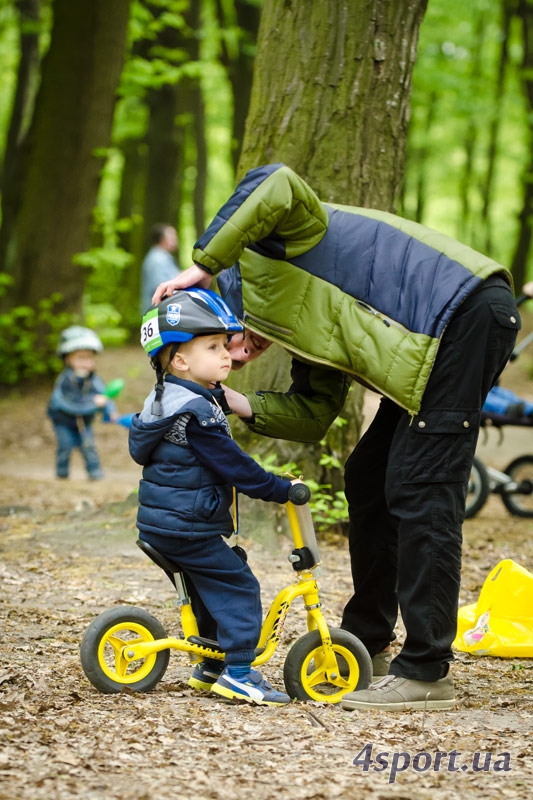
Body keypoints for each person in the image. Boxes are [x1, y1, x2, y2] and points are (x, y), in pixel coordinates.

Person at [152, 163, 521, 712]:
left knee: (421, 485)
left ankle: (426, 671)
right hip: (429, 347)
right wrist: (237, 402)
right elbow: (313, 412)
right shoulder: (304, 333)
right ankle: (365, 643)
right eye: (225, 352)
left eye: (226, 339)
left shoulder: (280, 244)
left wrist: (200, 265)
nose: (235, 354)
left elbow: (275, 180)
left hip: (462, 315)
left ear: (231, 301)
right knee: (369, 477)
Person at [129, 288, 299, 706]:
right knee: (238, 583)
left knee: (212, 580)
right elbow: (236, 467)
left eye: (226, 344)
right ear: (180, 361)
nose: (227, 354)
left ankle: (211, 664)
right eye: (212, 347)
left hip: (162, 522)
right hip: (189, 525)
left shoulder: (164, 399)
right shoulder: (198, 414)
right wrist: (281, 488)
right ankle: (240, 671)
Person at [48, 326, 117, 480]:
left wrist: (109, 410)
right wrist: (94, 403)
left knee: (88, 445)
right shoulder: (65, 380)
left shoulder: (93, 379)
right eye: (80, 358)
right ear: (68, 359)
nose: (85, 362)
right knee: (65, 446)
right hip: (63, 421)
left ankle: (95, 474)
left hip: (84, 422)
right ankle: (62, 474)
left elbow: (104, 395)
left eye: (89, 358)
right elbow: (70, 403)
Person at [140, 223, 180, 315]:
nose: (175, 239)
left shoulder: (163, 257)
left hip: (160, 311)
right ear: (162, 239)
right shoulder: (157, 259)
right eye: (172, 236)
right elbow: (162, 286)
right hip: (156, 313)